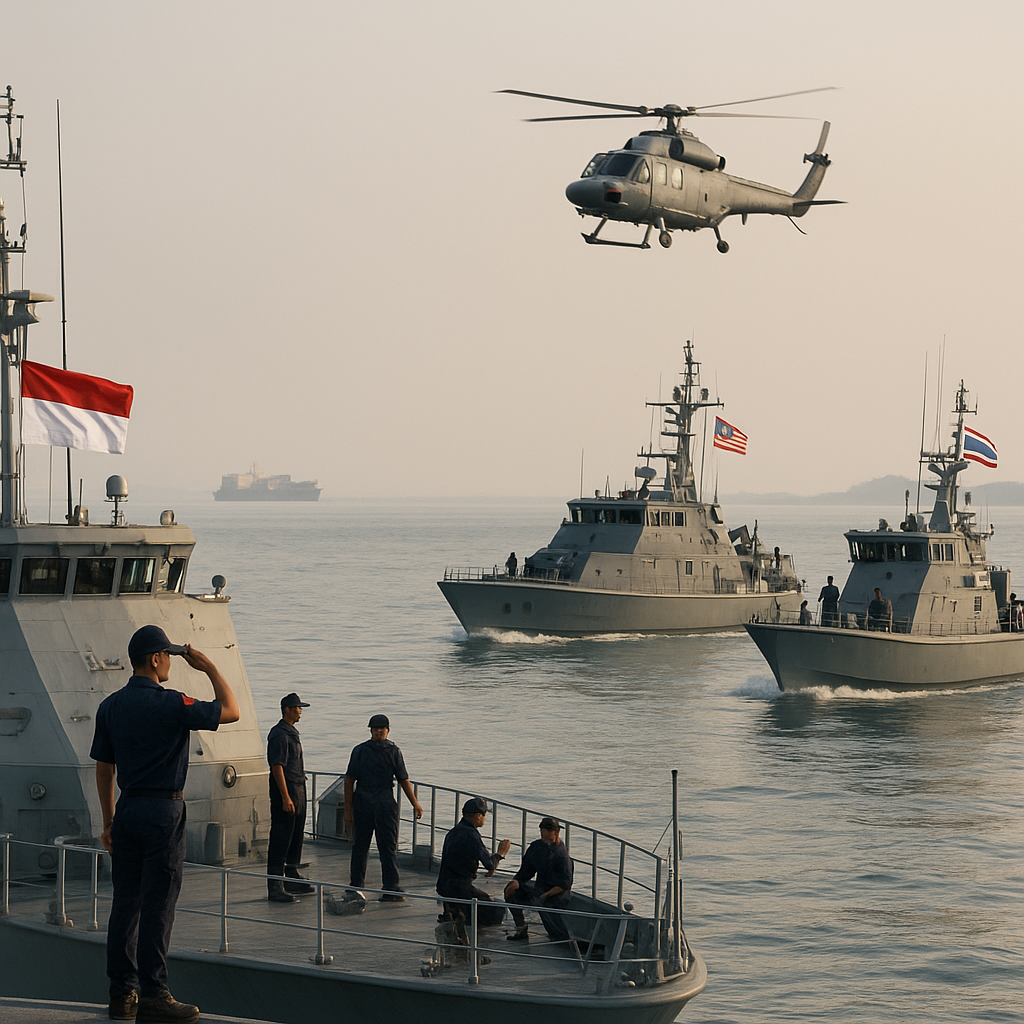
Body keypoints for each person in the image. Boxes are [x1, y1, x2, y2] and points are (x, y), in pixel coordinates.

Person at [90, 625, 240, 1024]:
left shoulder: (109, 706)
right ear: (155, 659)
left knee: (125, 904)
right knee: (158, 906)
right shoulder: (173, 703)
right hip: (163, 812)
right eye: (169, 656)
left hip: (127, 810)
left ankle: (122, 995)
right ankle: (155, 995)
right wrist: (208, 667)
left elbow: (104, 770)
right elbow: (231, 710)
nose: (171, 662)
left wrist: (109, 821)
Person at [344, 714, 423, 901]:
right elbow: (349, 780)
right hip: (363, 801)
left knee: (388, 846)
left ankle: (391, 887)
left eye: (382, 728)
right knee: (360, 846)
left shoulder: (394, 751)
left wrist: (415, 802)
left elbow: (403, 779)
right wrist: (348, 809)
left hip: (385, 802)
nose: (379, 731)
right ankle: (356, 886)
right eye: (375, 728)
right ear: (370, 730)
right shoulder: (360, 751)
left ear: (388, 730)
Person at [266, 693, 315, 903]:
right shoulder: (279, 734)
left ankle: (292, 875)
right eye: (297, 708)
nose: (300, 711)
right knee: (281, 837)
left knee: (296, 835)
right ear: (287, 709)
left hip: (298, 788)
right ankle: (275, 885)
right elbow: (277, 766)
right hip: (287, 790)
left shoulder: (291, 732)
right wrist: (285, 797)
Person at [436, 797, 511, 928]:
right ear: (478, 815)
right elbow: (489, 864)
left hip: (444, 885)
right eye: (484, 814)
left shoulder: (453, 832)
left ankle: (455, 913)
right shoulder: (472, 835)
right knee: (497, 908)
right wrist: (501, 853)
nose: (485, 818)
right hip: (460, 887)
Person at [503, 816, 574, 943]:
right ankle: (521, 928)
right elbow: (526, 871)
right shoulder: (536, 847)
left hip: (556, 894)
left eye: (547, 830)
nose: (543, 832)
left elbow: (565, 884)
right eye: (542, 829)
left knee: (558, 933)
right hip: (540, 888)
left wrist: (546, 895)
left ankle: (563, 938)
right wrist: (516, 881)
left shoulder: (562, 856)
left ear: (556, 832)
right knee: (511, 891)